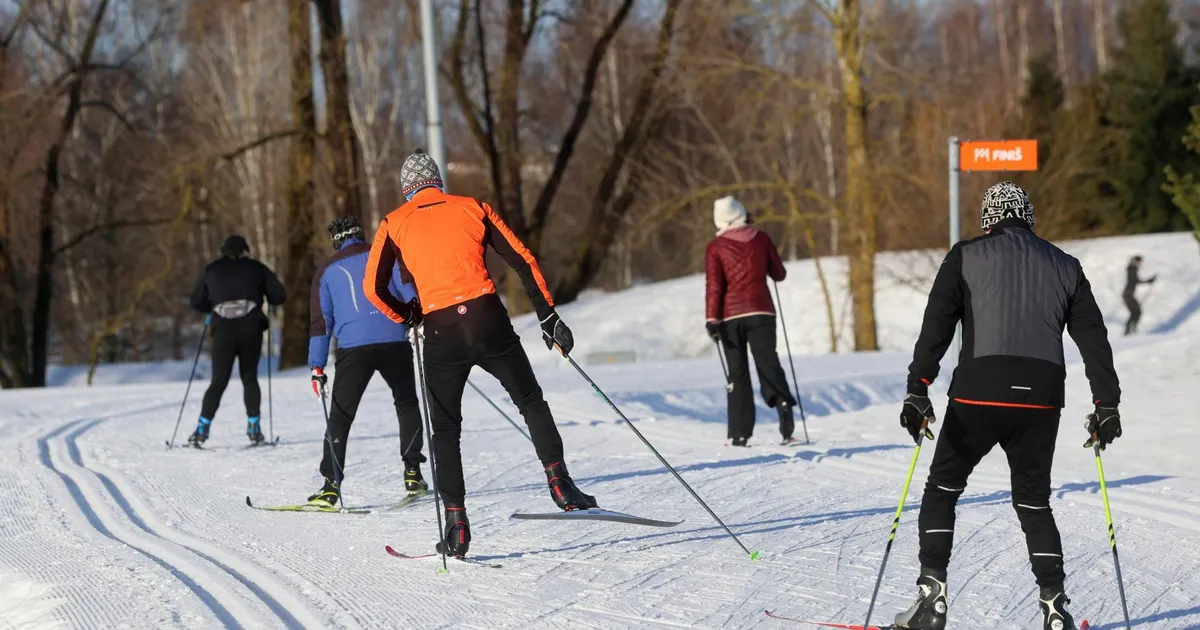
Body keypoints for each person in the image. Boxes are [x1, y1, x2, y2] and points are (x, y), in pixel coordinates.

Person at [894, 182, 1121, 630]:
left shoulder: (965, 255)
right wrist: (1106, 403)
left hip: (979, 389)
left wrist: (917, 388)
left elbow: (936, 325)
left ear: (988, 219)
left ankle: (930, 601)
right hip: (1041, 398)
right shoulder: (1066, 265)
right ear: (1028, 217)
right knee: (1034, 502)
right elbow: (1094, 339)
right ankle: (1055, 608)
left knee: (942, 490)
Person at [363, 148, 597, 558]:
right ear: (438, 181)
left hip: (440, 329)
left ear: (406, 190)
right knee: (529, 400)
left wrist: (407, 314)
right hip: (488, 318)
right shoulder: (472, 207)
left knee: (446, 430)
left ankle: (456, 523)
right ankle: (559, 482)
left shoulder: (393, 223)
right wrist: (548, 317)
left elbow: (373, 289)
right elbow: (522, 259)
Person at [305, 216, 429, 508]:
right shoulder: (385, 254)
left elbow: (321, 323)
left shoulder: (327, 270)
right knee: (406, 403)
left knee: (340, 416)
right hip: (394, 341)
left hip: (353, 349)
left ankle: (331, 485)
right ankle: (413, 473)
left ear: (336, 240)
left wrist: (317, 366)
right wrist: (418, 322)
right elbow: (408, 288)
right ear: (361, 235)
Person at [703, 196, 797, 446]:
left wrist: (712, 319)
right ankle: (784, 409)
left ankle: (739, 434)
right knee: (768, 363)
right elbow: (779, 274)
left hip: (729, 318)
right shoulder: (761, 238)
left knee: (738, 373)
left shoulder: (715, 247)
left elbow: (714, 286)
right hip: (761, 312)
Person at [188, 235, 287, 446]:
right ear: (245, 250)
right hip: (251, 326)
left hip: (223, 328)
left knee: (219, 380)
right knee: (249, 377)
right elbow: (279, 295)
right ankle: (254, 427)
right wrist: (263, 295)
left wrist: (212, 307)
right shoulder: (257, 268)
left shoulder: (212, 269)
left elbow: (196, 300)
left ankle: (201, 429)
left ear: (223, 251)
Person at [1122, 255, 1156, 336]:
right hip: (1128, 294)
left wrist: (1149, 281)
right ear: (1134, 261)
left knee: (1135, 312)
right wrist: (1149, 281)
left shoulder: (1132, 269)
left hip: (1128, 294)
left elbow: (1136, 280)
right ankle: (1131, 330)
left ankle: (1129, 330)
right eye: (1138, 261)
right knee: (1137, 312)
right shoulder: (1132, 269)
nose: (1139, 263)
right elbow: (1136, 280)